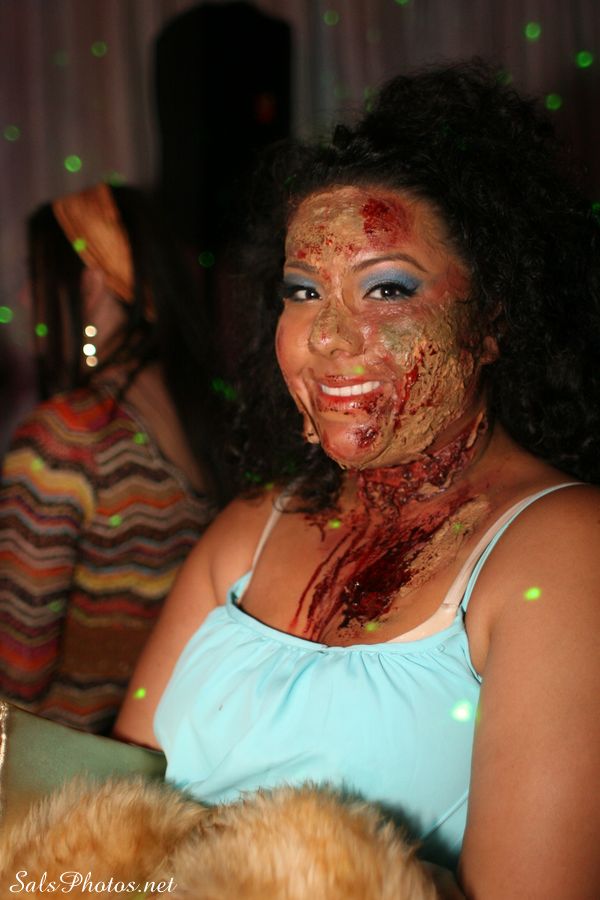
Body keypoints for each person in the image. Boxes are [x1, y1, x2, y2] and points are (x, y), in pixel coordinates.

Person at [114, 62, 600, 898]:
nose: (329, 337)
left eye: (387, 288)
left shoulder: (562, 552)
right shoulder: (249, 529)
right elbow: (114, 803)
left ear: (493, 320)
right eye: (303, 290)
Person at [0, 182, 227, 734]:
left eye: (37, 276)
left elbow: (18, 671)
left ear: (93, 280)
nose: (27, 298)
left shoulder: (65, 434)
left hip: (53, 762)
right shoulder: (197, 409)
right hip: (156, 744)